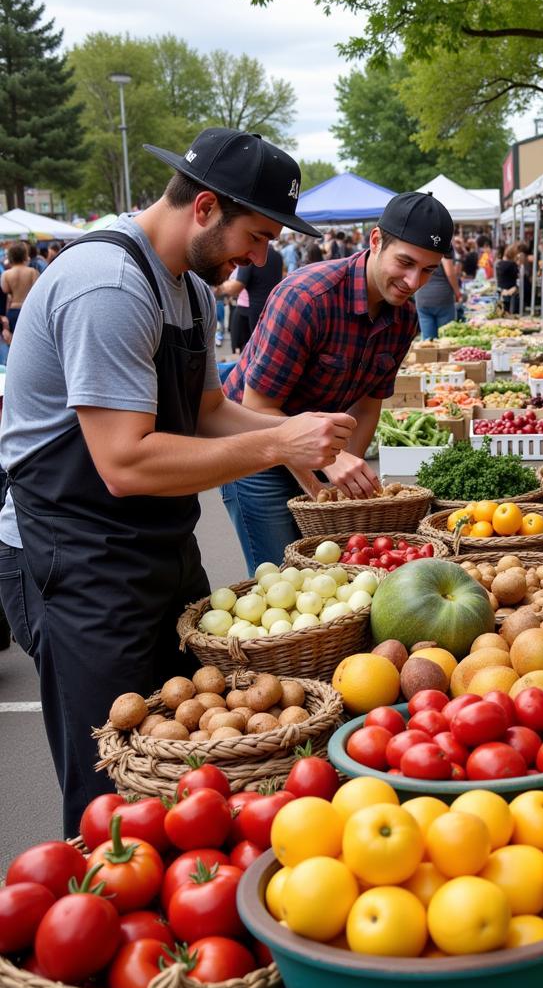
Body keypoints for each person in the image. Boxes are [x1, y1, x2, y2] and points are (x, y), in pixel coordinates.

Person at [0, 127, 356, 834]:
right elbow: (124, 462)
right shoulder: (106, 284)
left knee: (185, 752)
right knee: (110, 784)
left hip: (153, 548)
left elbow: (209, 411)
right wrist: (277, 442)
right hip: (72, 561)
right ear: (203, 209)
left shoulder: (189, 290)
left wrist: (302, 451)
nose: (259, 257)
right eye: (255, 236)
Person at [221, 191, 455, 573]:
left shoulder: (404, 319)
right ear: (376, 241)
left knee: (333, 571)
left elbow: (368, 402)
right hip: (254, 447)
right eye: (406, 262)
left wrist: (345, 475)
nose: (414, 281)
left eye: (428, 270)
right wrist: (328, 465)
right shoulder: (308, 298)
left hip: (314, 444)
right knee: (283, 578)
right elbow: (255, 405)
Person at [218, 242, 284, 354]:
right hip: (271, 309)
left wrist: (219, 286)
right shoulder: (277, 256)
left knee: (248, 351)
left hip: (250, 312)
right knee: (264, 349)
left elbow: (237, 286)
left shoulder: (252, 257)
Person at [415, 243, 461, 339]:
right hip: (442, 297)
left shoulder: (419, 243)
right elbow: (450, 273)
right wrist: (457, 292)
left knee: (428, 342)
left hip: (422, 297)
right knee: (446, 338)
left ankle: (429, 354)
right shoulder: (443, 244)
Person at [1, 242, 39, 335]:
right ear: (25, 255)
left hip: (13, 310)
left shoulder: (6, 274)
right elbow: (37, 290)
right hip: (28, 310)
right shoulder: (32, 272)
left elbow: (5, 290)